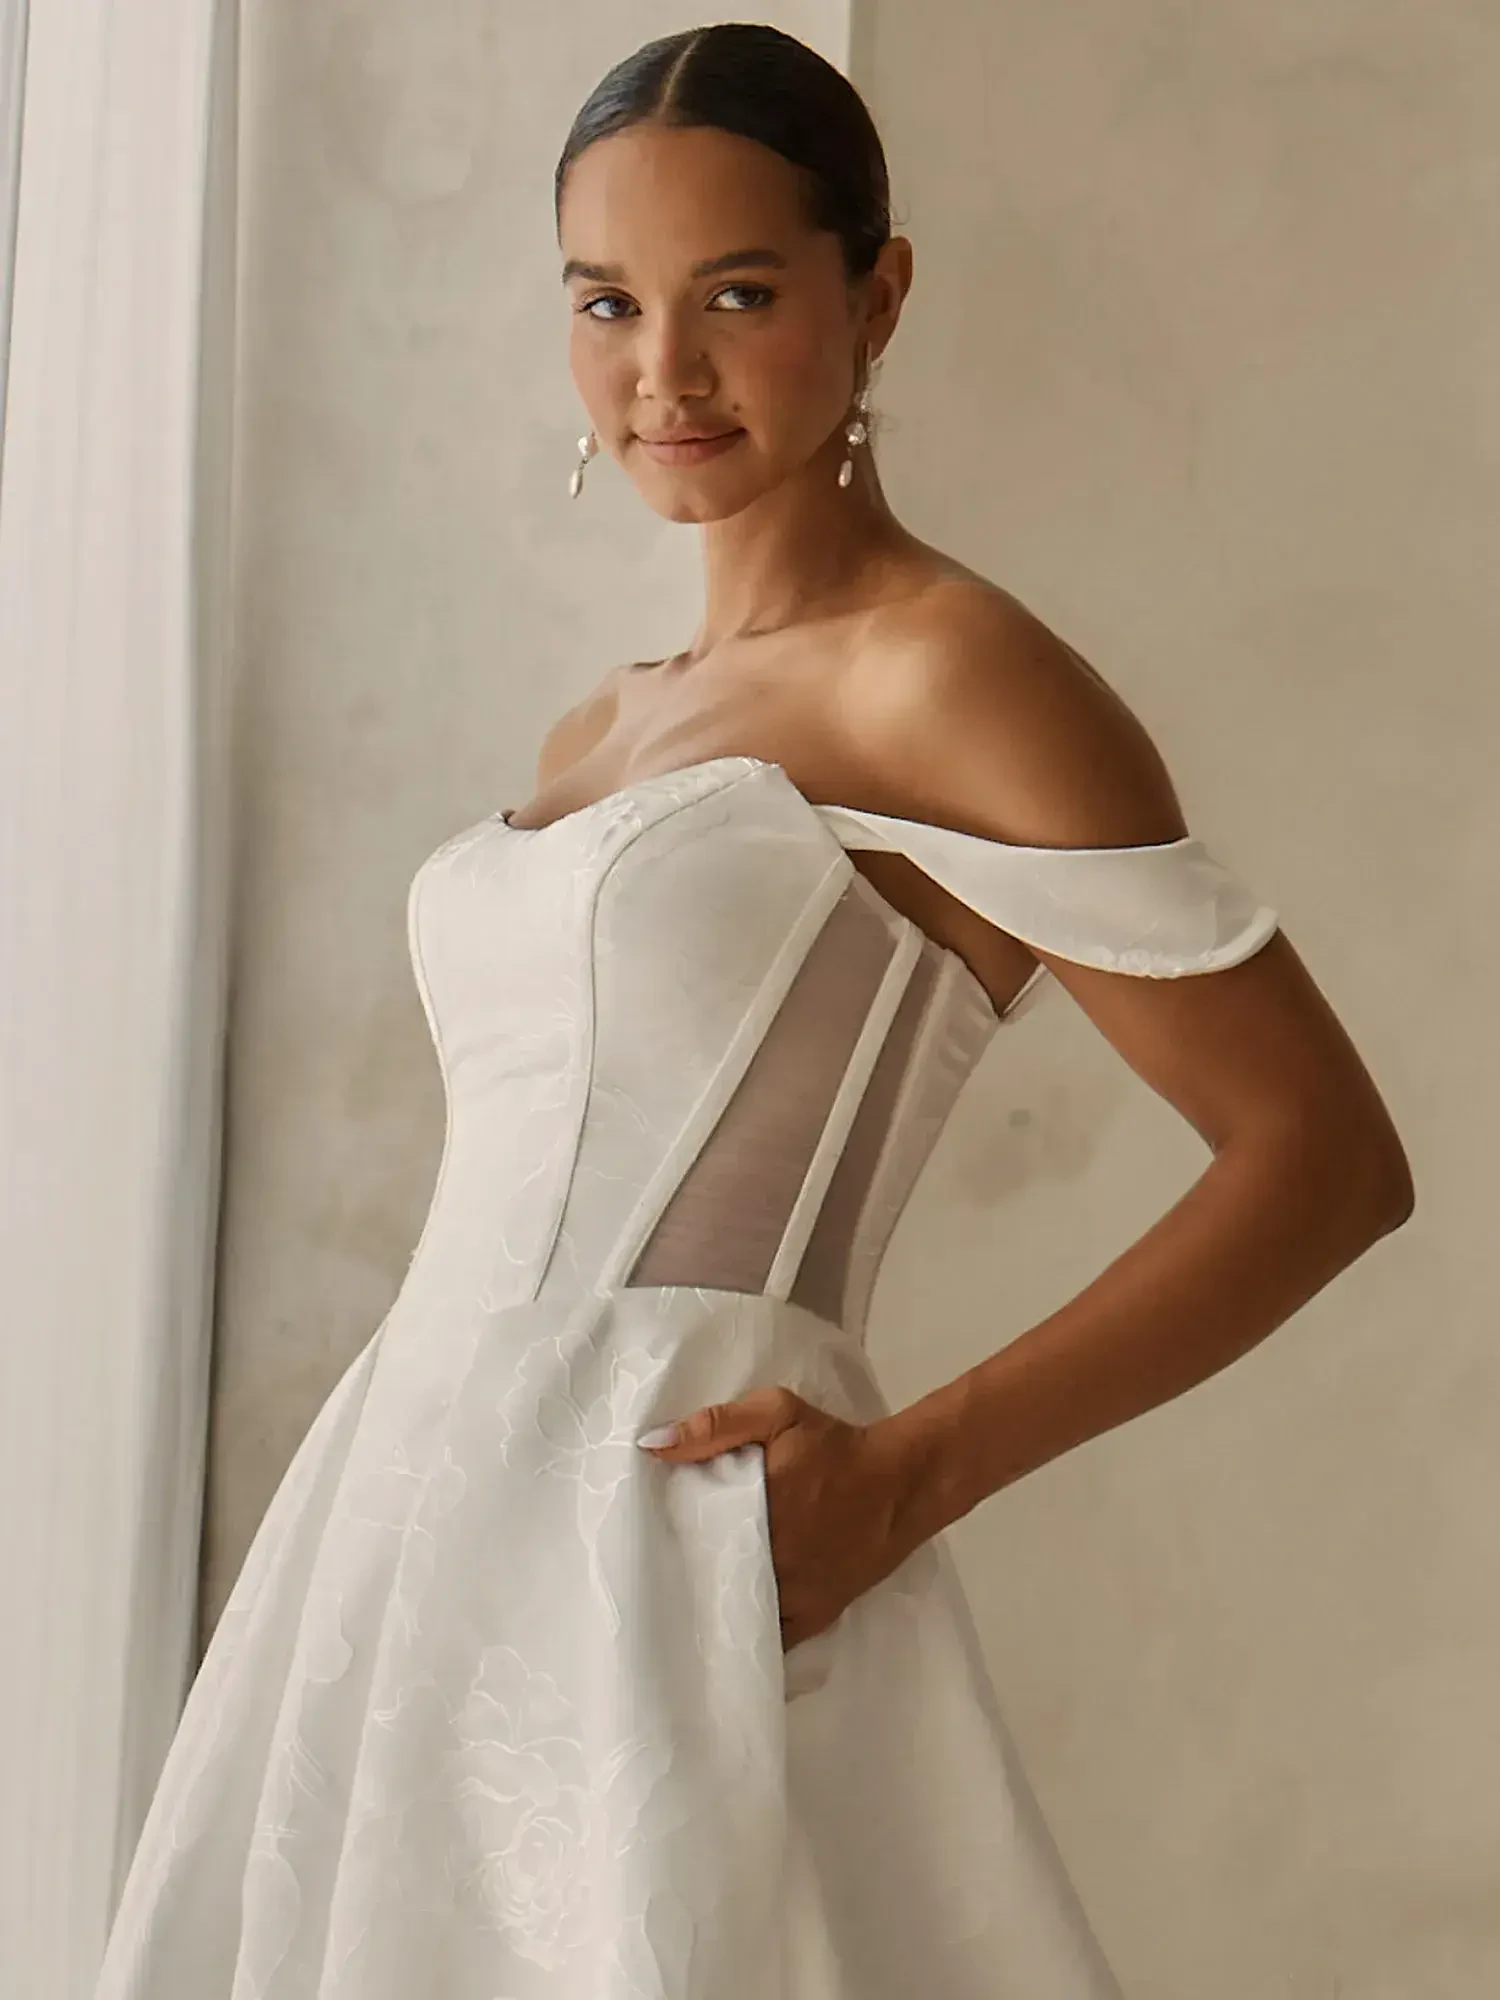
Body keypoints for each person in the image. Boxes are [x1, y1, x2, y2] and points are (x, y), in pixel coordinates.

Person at [93, 21, 1413, 2000]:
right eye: (606, 304)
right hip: (407, 1532)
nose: (662, 372)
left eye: (738, 295)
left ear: (875, 294)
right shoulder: (594, 727)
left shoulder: (947, 678)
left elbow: (1322, 1160)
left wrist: (911, 1472)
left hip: (675, 1542)